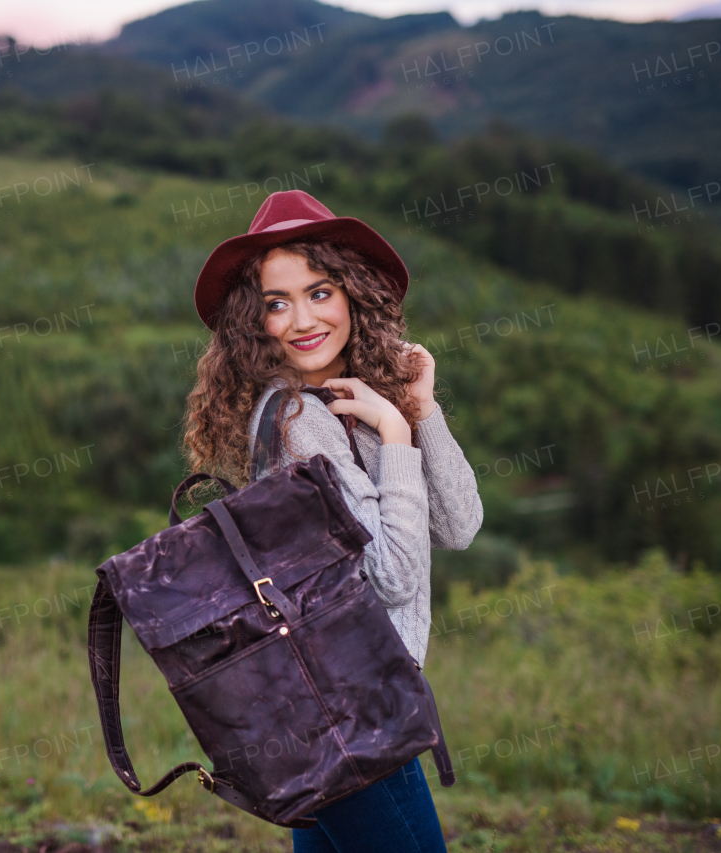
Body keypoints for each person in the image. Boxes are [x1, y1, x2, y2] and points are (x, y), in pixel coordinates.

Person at [182, 190, 483, 853]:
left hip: (332, 709)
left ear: (353, 295)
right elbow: (394, 574)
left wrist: (420, 409)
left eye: (319, 292)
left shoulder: (353, 403)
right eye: (276, 302)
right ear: (253, 321)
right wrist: (397, 432)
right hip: (350, 708)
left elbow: (459, 523)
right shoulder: (301, 422)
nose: (301, 319)